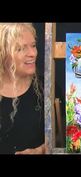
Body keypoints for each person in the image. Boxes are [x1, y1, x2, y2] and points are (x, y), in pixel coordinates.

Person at [0, 23, 45, 154]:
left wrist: (40, 150)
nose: (33, 53)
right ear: (3, 54)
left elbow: (62, 138)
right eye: (21, 49)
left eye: (33, 45)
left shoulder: (47, 87)